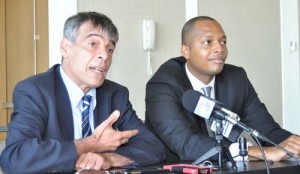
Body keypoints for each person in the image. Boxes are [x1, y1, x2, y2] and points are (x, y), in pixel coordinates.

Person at [0, 11, 165, 173]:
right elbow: (16, 157)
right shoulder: (35, 91)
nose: (104, 56)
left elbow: (153, 147)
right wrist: (90, 144)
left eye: (110, 49)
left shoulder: (116, 94)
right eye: (93, 44)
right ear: (66, 48)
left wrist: (109, 158)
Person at [145, 16, 300, 162]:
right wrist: (258, 152)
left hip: (227, 166)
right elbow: (186, 144)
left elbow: (267, 130)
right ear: (186, 51)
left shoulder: (236, 78)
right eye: (208, 42)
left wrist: (292, 144)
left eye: (223, 41)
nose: (220, 48)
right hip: (179, 167)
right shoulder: (162, 85)